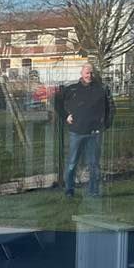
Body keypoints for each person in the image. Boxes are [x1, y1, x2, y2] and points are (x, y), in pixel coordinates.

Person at [56, 63, 114, 198]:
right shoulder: (72, 89)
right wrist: (66, 116)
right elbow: (57, 102)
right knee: (72, 163)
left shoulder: (101, 90)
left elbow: (110, 109)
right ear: (81, 73)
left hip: (95, 133)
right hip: (76, 132)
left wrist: (105, 125)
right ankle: (69, 190)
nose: (90, 76)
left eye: (92, 73)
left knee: (94, 165)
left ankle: (93, 191)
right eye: (87, 73)